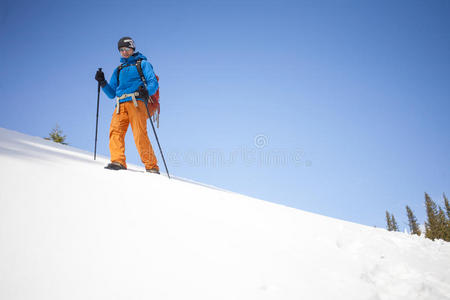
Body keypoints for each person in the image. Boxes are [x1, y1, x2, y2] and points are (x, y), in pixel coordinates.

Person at [95, 37, 160, 174]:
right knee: (115, 132)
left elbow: (153, 82)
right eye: (121, 50)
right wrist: (102, 82)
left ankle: (151, 166)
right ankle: (118, 161)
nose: (124, 52)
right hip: (120, 105)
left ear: (132, 48)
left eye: (127, 49)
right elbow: (112, 93)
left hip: (137, 102)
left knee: (139, 134)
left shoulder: (143, 64)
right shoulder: (118, 70)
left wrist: (147, 91)